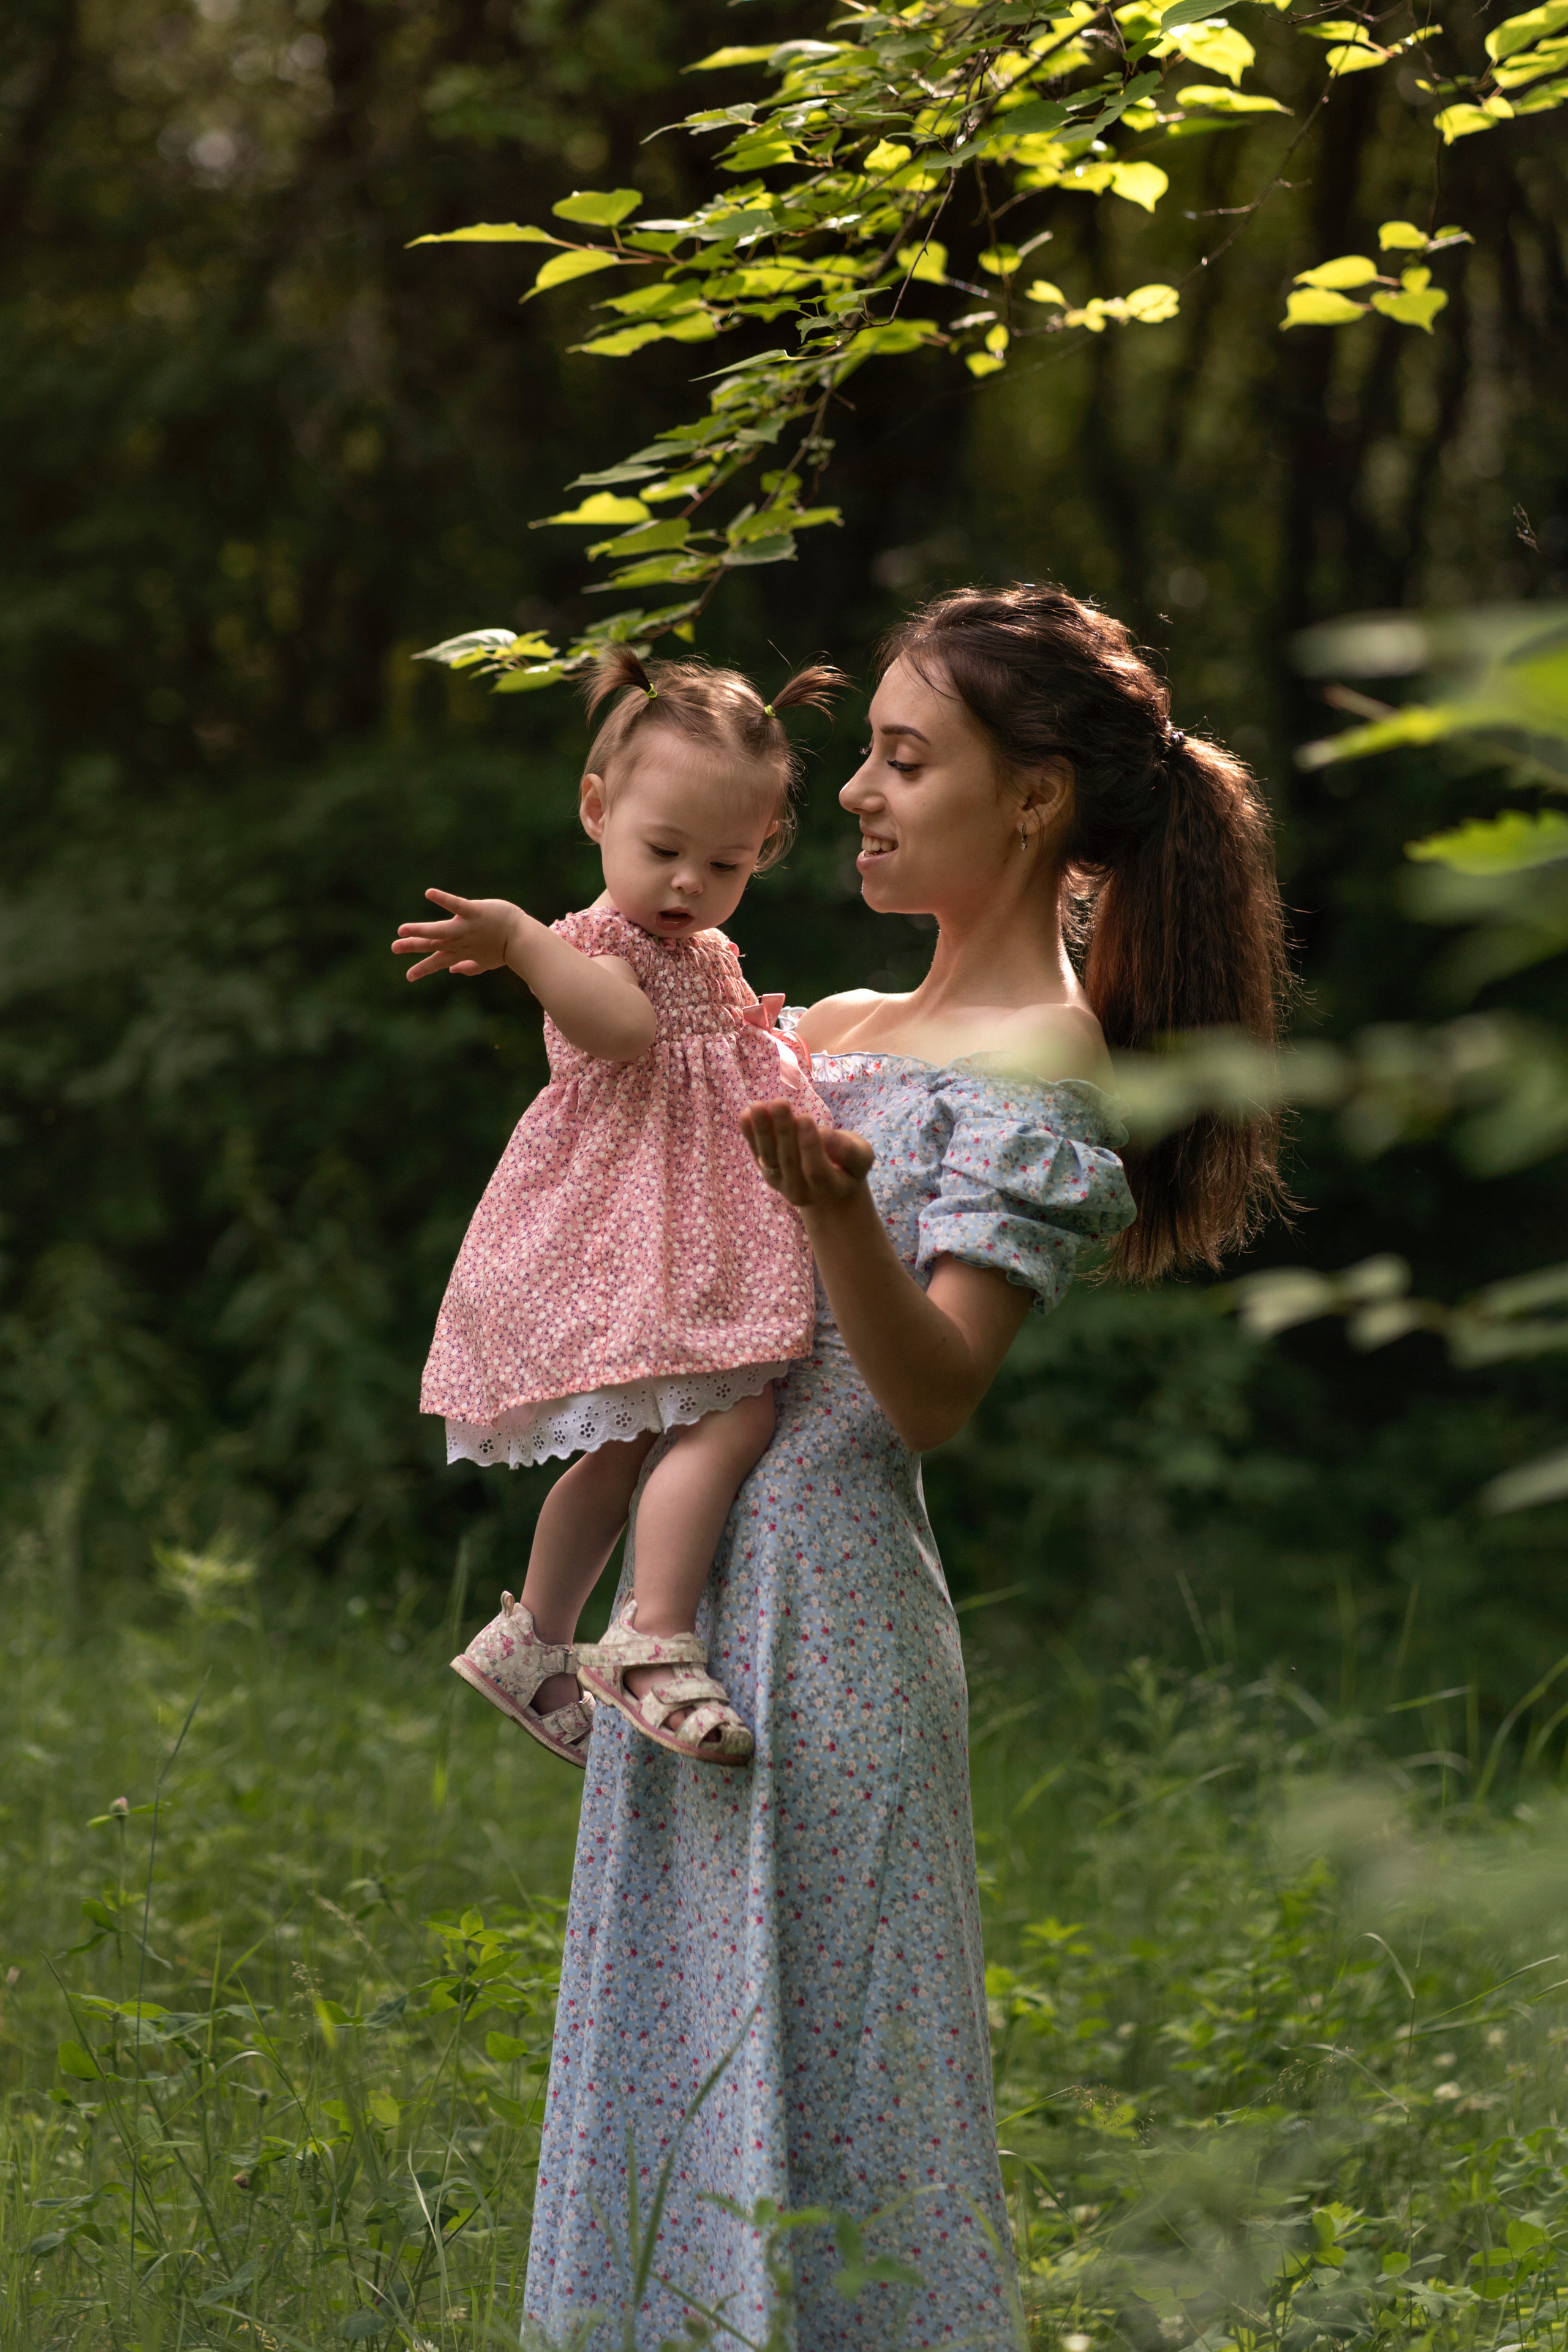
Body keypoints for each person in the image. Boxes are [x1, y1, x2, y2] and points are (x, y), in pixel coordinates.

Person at [524, 585, 1289, 2349]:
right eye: (863, 752)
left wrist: (842, 1205)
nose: (856, 793)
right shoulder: (835, 1017)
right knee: (675, 2043)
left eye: (902, 757)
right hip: (688, 1611)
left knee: (835, 2073)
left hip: (832, 1622)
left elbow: (932, 1393)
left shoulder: (1041, 1063)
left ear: (1031, 802)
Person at [394, 649, 842, 1768]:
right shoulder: (588, 943)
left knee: (638, 1443)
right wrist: (519, 943)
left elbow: (709, 1038)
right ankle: (648, 1634)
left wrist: (758, 1038)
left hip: (685, 1235)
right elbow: (622, 1030)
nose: (690, 883)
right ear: (597, 810)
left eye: (728, 863)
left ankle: (533, 1637)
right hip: (635, 1238)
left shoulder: (702, 946)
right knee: (733, 1416)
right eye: (664, 851)